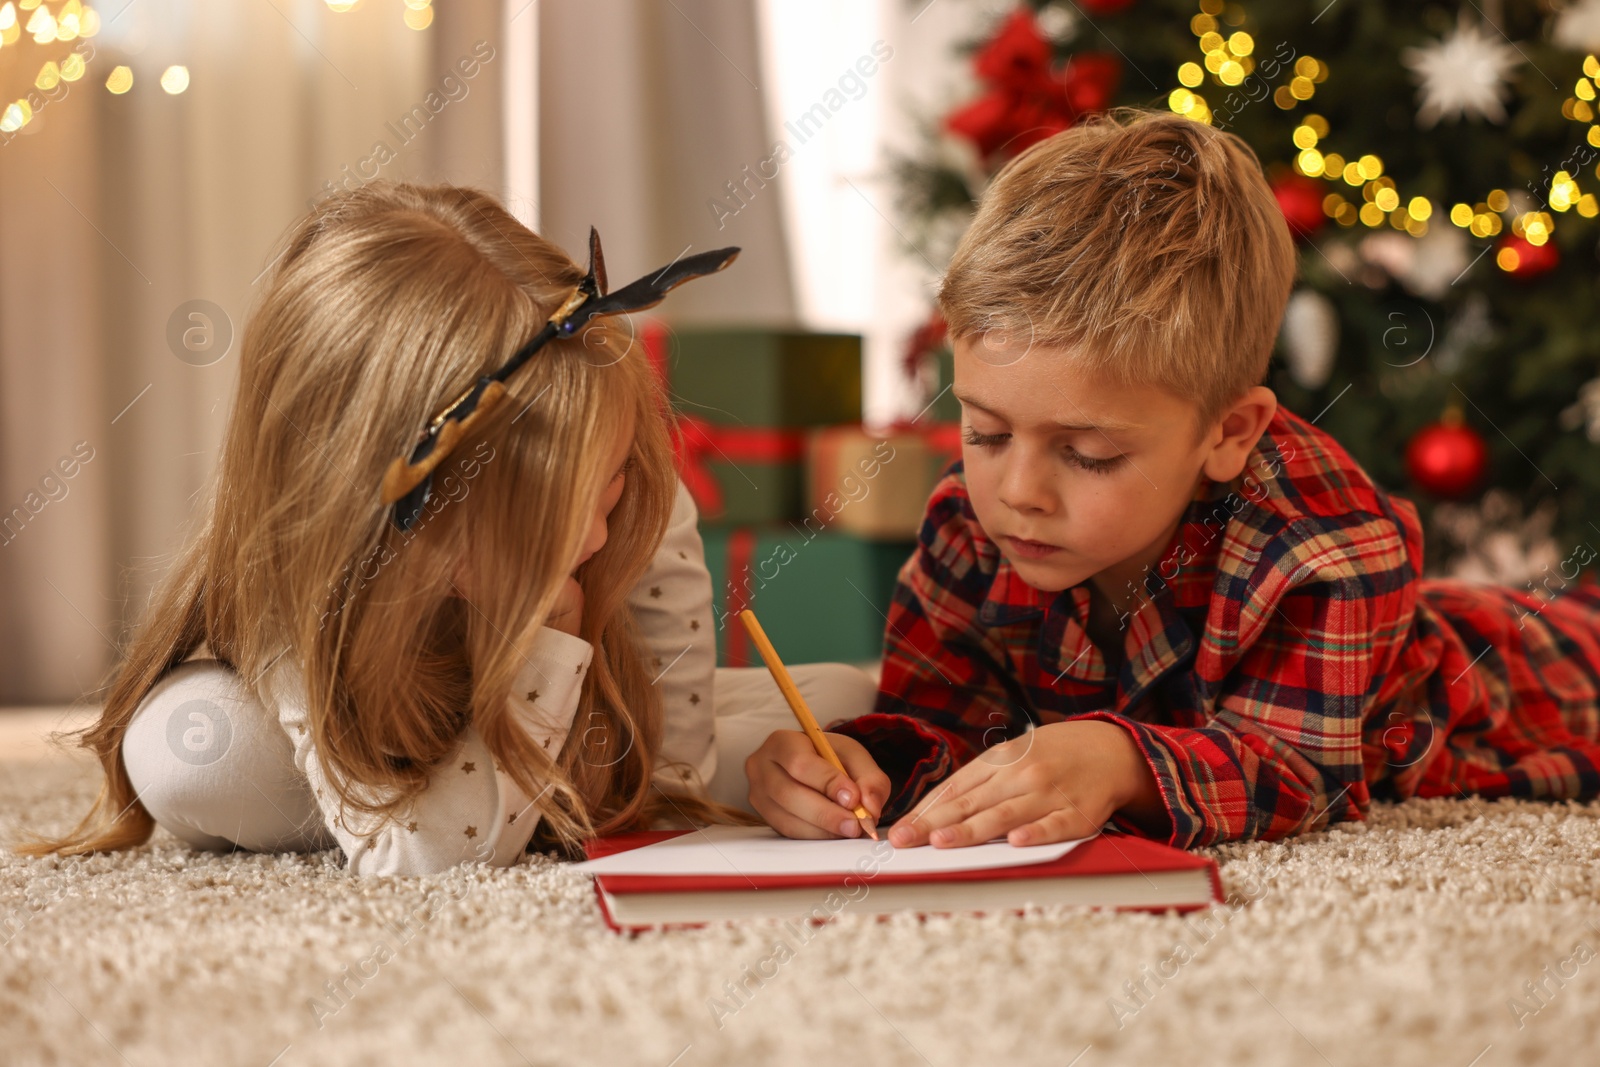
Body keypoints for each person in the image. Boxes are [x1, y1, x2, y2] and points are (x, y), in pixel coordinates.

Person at [746, 108, 1600, 851]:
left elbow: (1301, 771)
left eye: (1089, 454)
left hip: (1538, 682)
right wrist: (855, 764)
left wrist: (1120, 760)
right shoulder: (972, 528)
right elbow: (949, 731)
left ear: (1229, 433)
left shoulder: (1327, 540)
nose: (1019, 491)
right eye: (986, 431)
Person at [19, 182, 877, 875]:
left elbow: (672, 704)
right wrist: (550, 634)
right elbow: (428, 856)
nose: (593, 541)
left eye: (610, 493)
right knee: (188, 751)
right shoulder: (308, 590)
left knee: (849, 700)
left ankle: (522, 789)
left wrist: (662, 790)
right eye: (556, 521)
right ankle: (449, 792)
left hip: (582, 720)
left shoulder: (614, 476)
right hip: (392, 736)